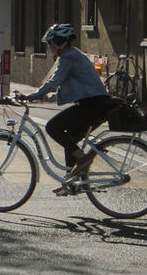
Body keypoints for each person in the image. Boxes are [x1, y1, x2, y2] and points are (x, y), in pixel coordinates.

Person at [29, 22, 115, 192]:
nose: (49, 46)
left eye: (50, 43)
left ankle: (83, 159)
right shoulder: (73, 55)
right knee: (70, 141)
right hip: (95, 104)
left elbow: (54, 81)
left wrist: (31, 95)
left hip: (92, 105)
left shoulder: (68, 58)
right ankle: (73, 182)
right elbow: (74, 87)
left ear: (59, 42)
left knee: (53, 127)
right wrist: (47, 97)